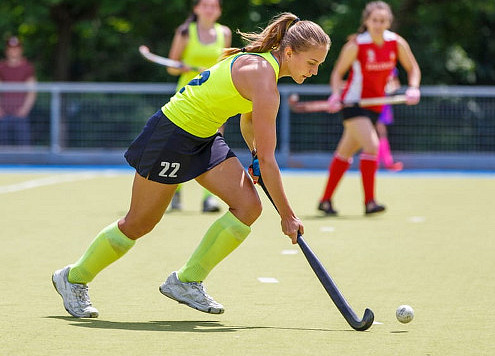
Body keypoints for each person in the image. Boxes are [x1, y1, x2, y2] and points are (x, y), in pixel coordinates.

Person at [52, 13, 330, 318]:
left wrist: (252, 155)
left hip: (204, 137)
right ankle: (73, 278)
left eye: (319, 65)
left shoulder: (264, 68)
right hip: (171, 133)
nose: (315, 71)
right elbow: (268, 159)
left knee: (248, 207)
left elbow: (249, 120)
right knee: (139, 223)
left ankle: (187, 281)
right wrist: (288, 216)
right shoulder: (264, 79)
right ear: (289, 52)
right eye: (312, 63)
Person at [318, 1, 420, 216]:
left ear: (388, 22)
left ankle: (325, 201)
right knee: (372, 146)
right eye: (374, 20)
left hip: (374, 106)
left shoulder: (396, 43)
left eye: (383, 21)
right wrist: (336, 94)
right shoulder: (356, 45)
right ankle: (370, 202)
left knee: (344, 152)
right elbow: (337, 73)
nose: (378, 25)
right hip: (354, 104)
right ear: (366, 22)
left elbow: (412, 68)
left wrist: (413, 88)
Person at [166, 0, 233, 213]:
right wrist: (182, 67)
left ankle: (209, 199)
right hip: (186, 98)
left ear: (220, 10)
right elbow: (172, 67)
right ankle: (173, 193)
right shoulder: (185, 32)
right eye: (205, 5)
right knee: (180, 146)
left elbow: (225, 64)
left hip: (214, 96)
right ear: (196, 9)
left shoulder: (225, 33)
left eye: (214, 5)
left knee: (213, 146)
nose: (209, 9)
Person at [0, 36, 36, 146]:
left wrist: (24, 109)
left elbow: (32, 91)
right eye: (11, 48)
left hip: (21, 114)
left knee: (23, 148)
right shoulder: (1, 67)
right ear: (7, 50)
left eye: (16, 48)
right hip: (3, 114)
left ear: (21, 49)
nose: (13, 51)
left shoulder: (27, 67)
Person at [376, 68, 403, 171]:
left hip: (384, 104)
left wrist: (390, 88)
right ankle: (385, 162)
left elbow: (396, 84)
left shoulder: (392, 68)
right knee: (379, 133)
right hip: (374, 102)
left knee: (381, 133)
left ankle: (380, 162)